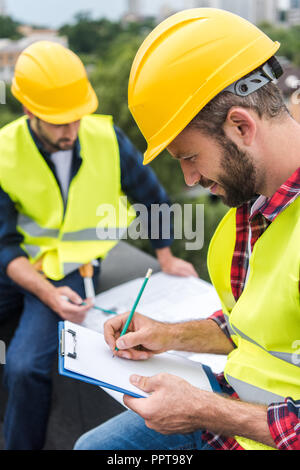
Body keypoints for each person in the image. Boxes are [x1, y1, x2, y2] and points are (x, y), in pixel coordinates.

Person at [74, 9, 300, 451]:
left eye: (189, 157)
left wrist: (202, 409)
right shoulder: (254, 206)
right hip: (233, 407)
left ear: (240, 125)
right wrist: (167, 333)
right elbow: (254, 329)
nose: (191, 180)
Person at [0, 40, 197, 450]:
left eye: (76, 118)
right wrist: (45, 292)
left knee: (23, 367)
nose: (71, 130)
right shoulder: (4, 151)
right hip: (22, 267)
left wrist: (165, 255)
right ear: (28, 110)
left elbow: (151, 196)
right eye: (59, 122)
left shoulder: (105, 137)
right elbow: (5, 247)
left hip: (69, 271)